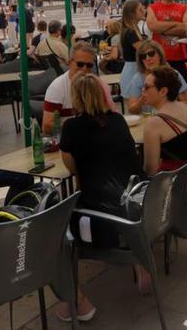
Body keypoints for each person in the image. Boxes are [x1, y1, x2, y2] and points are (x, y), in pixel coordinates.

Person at [59, 73, 143, 317]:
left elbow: (72, 169)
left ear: (76, 98)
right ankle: (138, 258)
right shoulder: (118, 120)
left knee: (56, 230)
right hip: (134, 198)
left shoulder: (72, 127)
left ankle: (76, 301)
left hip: (103, 208)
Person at [139, 66, 187, 178]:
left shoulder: (154, 123)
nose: (142, 91)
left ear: (163, 91)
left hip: (176, 184)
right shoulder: (186, 108)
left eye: (146, 87)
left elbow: (151, 170)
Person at [42, 43, 113, 135]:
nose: (84, 69)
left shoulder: (96, 85)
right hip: (68, 139)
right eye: (80, 64)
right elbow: (47, 126)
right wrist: (78, 127)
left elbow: (106, 114)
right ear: (70, 62)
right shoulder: (57, 88)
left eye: (89, 65)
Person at [122, 39, 187, 114]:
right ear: (141, 61)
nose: (148, 58)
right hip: (147, 120)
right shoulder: (138, 78)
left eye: (151, 54)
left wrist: (171, 108)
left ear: (160, 55)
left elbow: (186, 102)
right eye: (143, 56)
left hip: (171, 117)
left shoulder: (174, 74)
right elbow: (132, 110)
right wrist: (141, 101)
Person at [148, 0, 187, 80]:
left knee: (183, 88)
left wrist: (162, 27)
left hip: (180, 57)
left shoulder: (184, 7)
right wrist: (177, 25)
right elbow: (153, 27)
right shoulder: (153, 8)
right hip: (160, 58)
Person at [118, 1, 150, 97]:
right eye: (140, 9)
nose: (144, 11)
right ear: (132, 14)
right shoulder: (131, 32)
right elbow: (144, 50)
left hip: (132, 69)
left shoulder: (131, 30)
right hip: (133, 70)